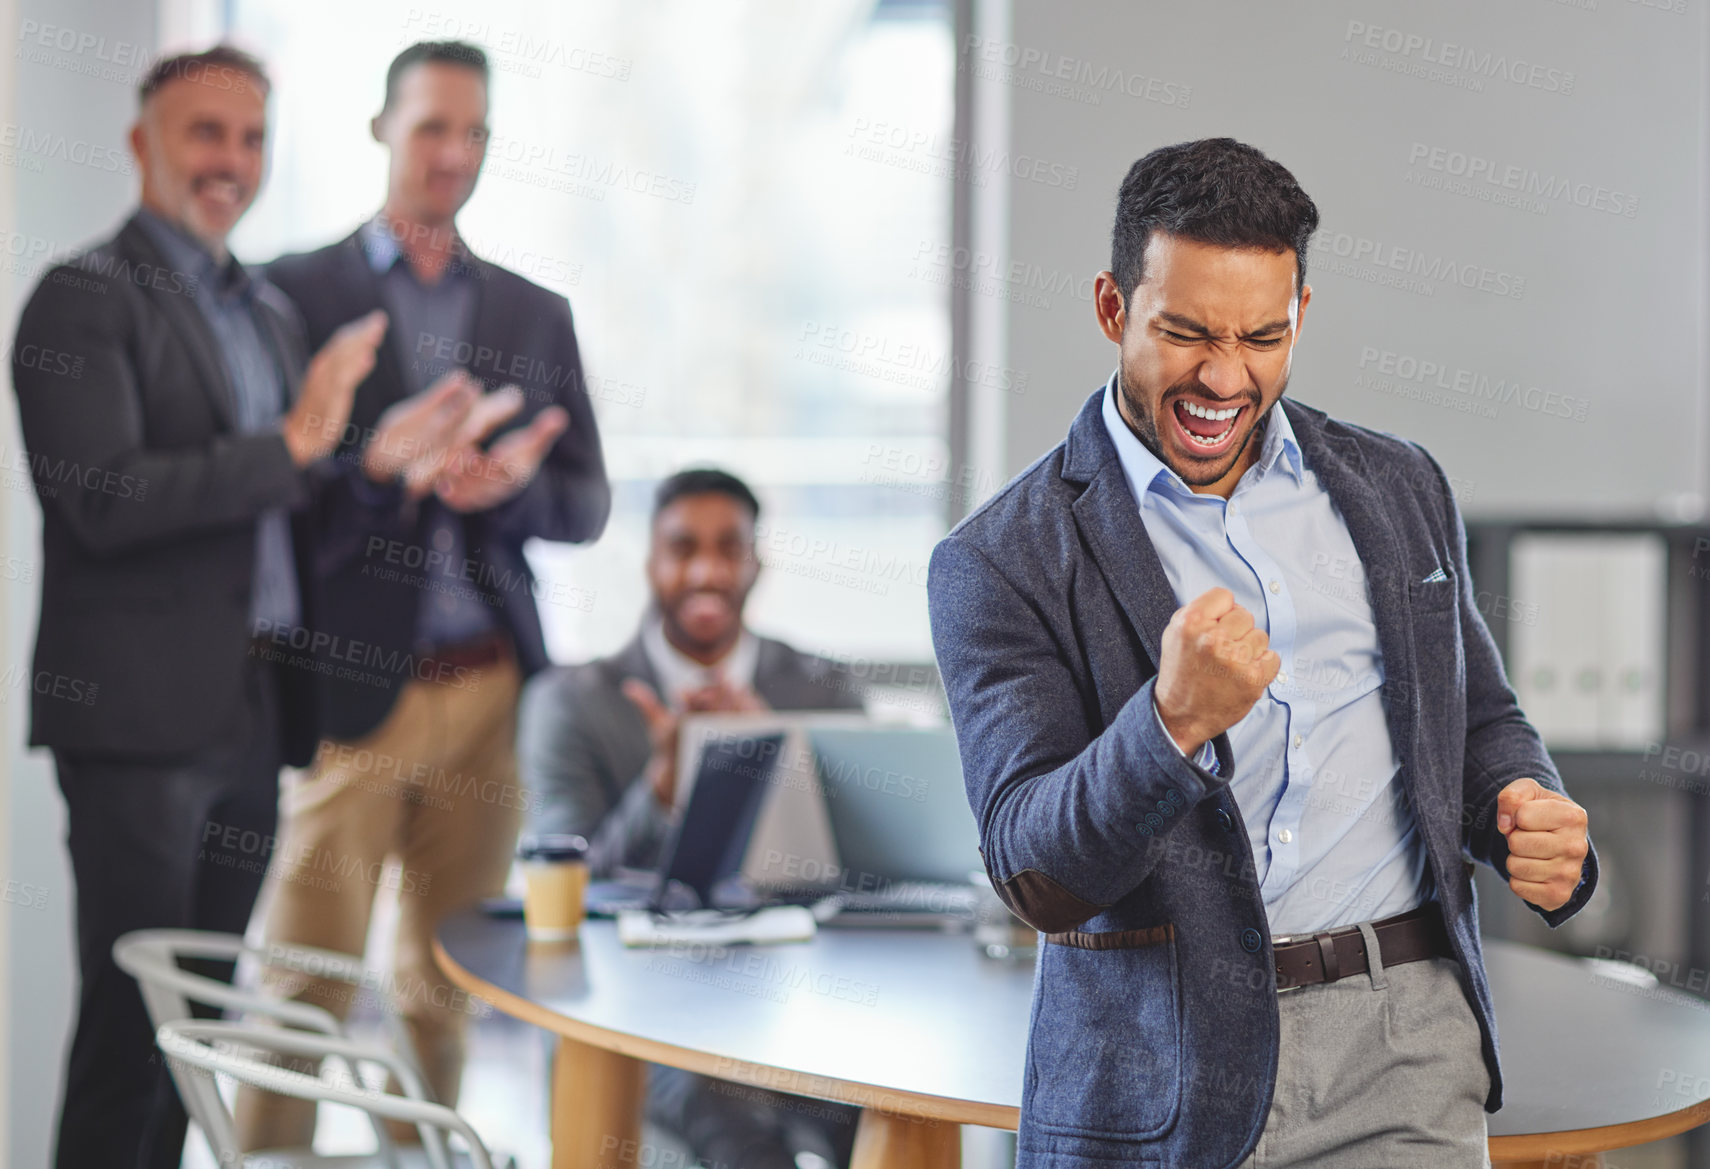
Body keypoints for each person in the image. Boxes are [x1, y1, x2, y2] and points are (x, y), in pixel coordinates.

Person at [926, 138, 1597, 1169]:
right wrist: (1169, 723)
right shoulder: (1001, 558)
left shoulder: (1398, 484)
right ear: (1113, 308)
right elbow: (1036, 873)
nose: (1224, 378)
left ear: (1302, 317)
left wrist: (1528, 809)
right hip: (1159, 1076)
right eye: (1185, 333)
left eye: (1262, 337)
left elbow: (1477, 725)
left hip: (1404, 1049)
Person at [7, 45, 393, 1169]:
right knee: (132, 1030)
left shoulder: (267, 312)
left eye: (251, 137)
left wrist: (379, 466)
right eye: (205, 133)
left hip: (252, 705)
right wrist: (294, 442)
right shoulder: (80, 299)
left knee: (201, 1027)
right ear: (144, 145)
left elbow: (285, 491)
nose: (231, 160)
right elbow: (103, 499)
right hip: (135, 724)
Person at [233, 40, 610, 1150]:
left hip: (486, 691)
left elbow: (584, 503)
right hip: (347, 695)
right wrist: (378, 472)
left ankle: (422, 1149)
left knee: (441, 984)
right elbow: (274, 499)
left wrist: (509, 490)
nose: (454, 153)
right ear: (382, 130)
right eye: (433, 127)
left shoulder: (533, 314)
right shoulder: (293, 294)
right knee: (305, 976)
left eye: (475, 133)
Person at [519, 467, 861, 1169]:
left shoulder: (819, 689)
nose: (706, 569)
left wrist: (782, 754)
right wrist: (664, 790)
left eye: (728, 547)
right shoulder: (572, 702)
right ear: (651, 562)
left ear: (755, 563)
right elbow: (568, 882)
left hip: (802, 996)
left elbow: (865, 869)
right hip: (641, 1003)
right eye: (683, 547)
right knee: (733, 1126)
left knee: (884, 1099)